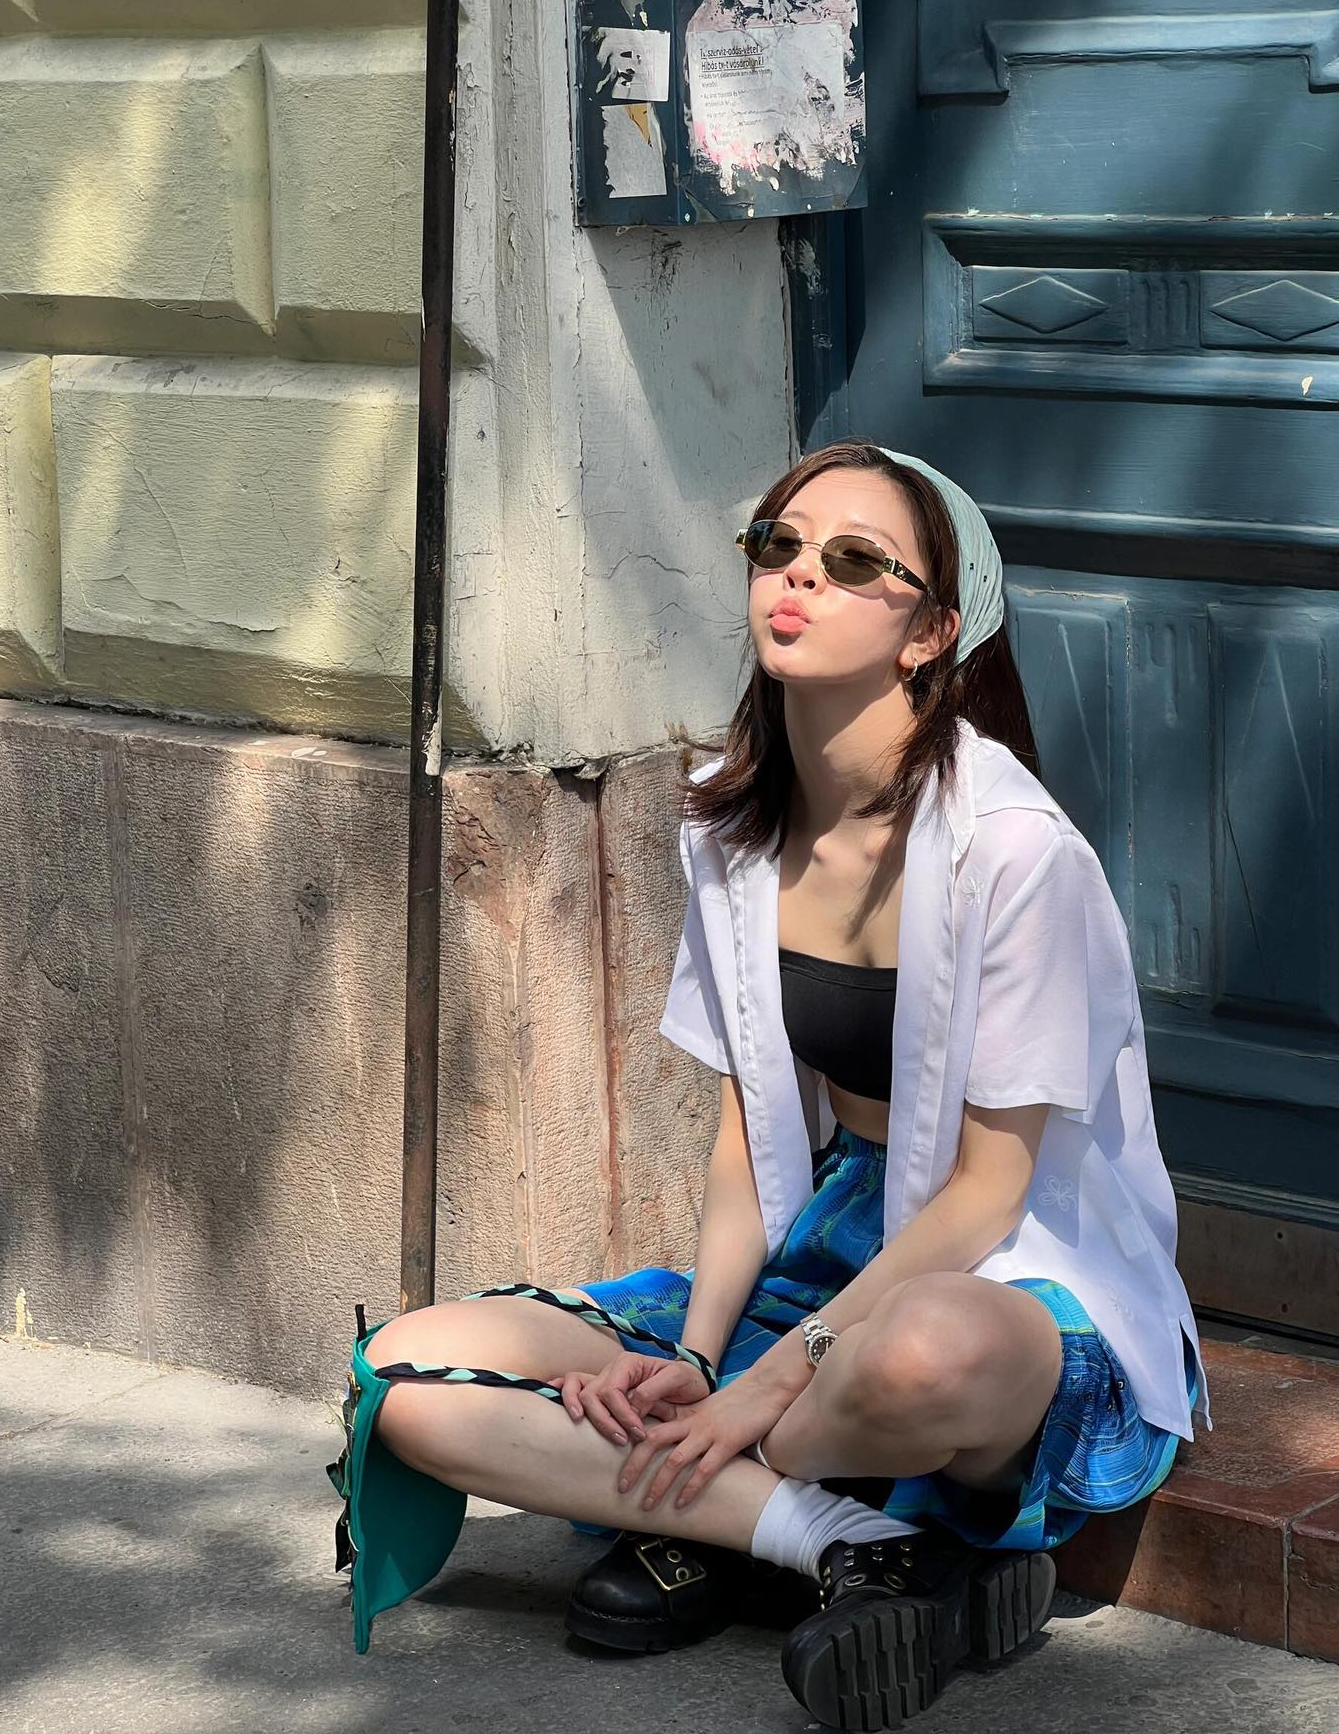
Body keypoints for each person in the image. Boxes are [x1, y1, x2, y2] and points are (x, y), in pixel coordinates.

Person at [330, 439, 1213, 1731]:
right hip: (826, 1246)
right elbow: (748, 1142)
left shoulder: (1017, 852)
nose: (798, 575)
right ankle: (846, 1544)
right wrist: (699, 1354)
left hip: (1010, 1268)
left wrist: (754, 1389)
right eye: (778, 546)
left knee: (919, 1352)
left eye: (853, 561)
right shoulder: (732, 824)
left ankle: (704, 1519)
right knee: (406, 1377)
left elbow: (986, 1195)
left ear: (932, 632)